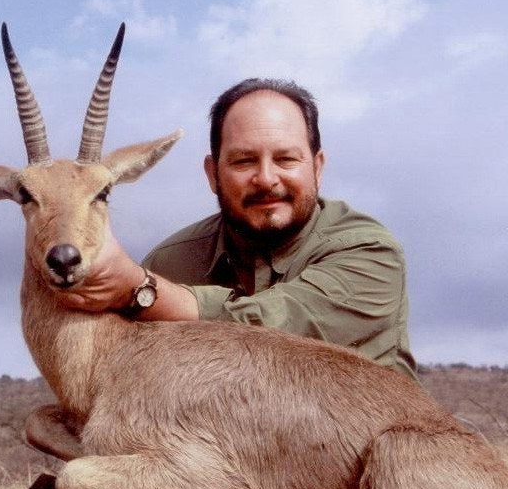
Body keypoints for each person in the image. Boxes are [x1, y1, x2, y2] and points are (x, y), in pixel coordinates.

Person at [57, 78, 417, 383]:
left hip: (369, 454)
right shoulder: (170, 262)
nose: (266, 179)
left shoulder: (370, 252)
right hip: (218, 455)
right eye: (244, 161)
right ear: (213, 174)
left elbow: (275, 332)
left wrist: (142, 292)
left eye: (286, 159)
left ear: (317, 167)